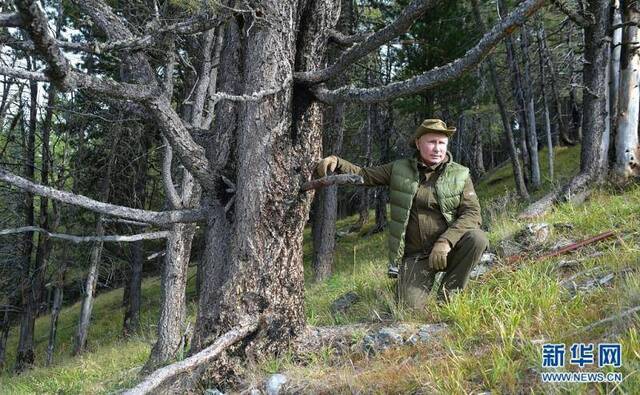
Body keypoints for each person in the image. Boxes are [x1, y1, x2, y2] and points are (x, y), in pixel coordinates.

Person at [316, 119, 488, 308]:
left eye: (441, 143)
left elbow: (472, 214)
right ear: (418, 143)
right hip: (416, 256)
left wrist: (446, 241)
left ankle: (448, 299)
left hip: (450, 249)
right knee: (409, 309)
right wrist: (337, 163)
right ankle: (412, 286)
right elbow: (365, 175)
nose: (437, 148)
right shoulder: (399, 169)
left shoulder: (460, 174)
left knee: (477, 238)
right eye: (431, 142)